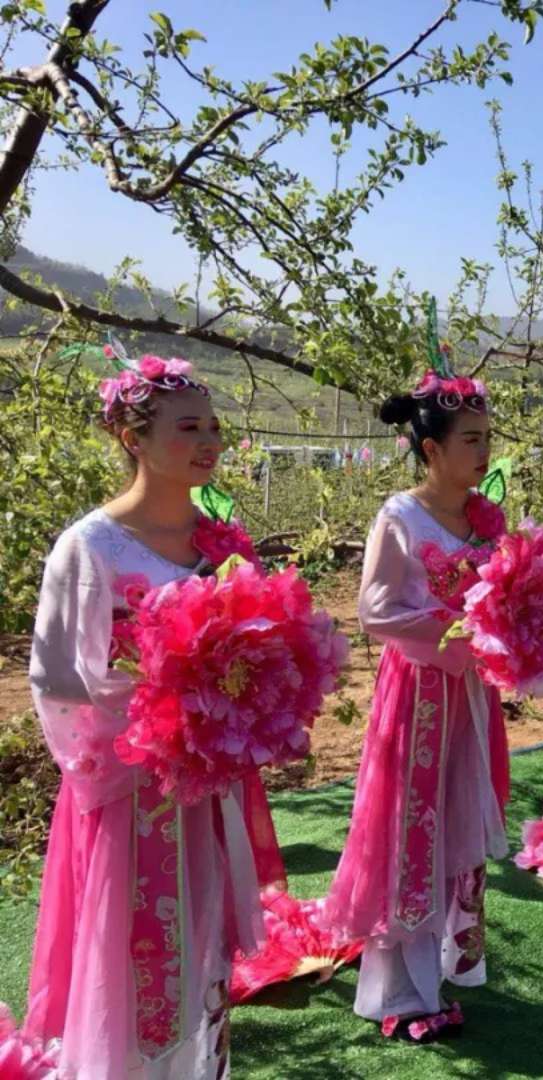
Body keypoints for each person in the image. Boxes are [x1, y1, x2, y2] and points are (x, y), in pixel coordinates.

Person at [27, 354, 275, 1076]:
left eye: (214, 426)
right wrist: (158, 728)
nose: (209, 440)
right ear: (133, 438)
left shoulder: (222, 544)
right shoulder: (90, 547)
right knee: (131, 960)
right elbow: (61, 683)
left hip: (208, 786)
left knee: (200, 945)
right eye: (188, 426)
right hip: (132, 791)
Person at [326, 368, 508, 1041]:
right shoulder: (399, 515)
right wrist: (454, 629)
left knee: (458, 823)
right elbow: (374, 609)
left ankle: (439, 970)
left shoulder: (487, 519)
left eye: (488, 437)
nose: (483, 451)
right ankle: (401, 994)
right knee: (410, 830)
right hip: (419, 695)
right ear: (431, 448)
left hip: (470, 696)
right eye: (470, 439)